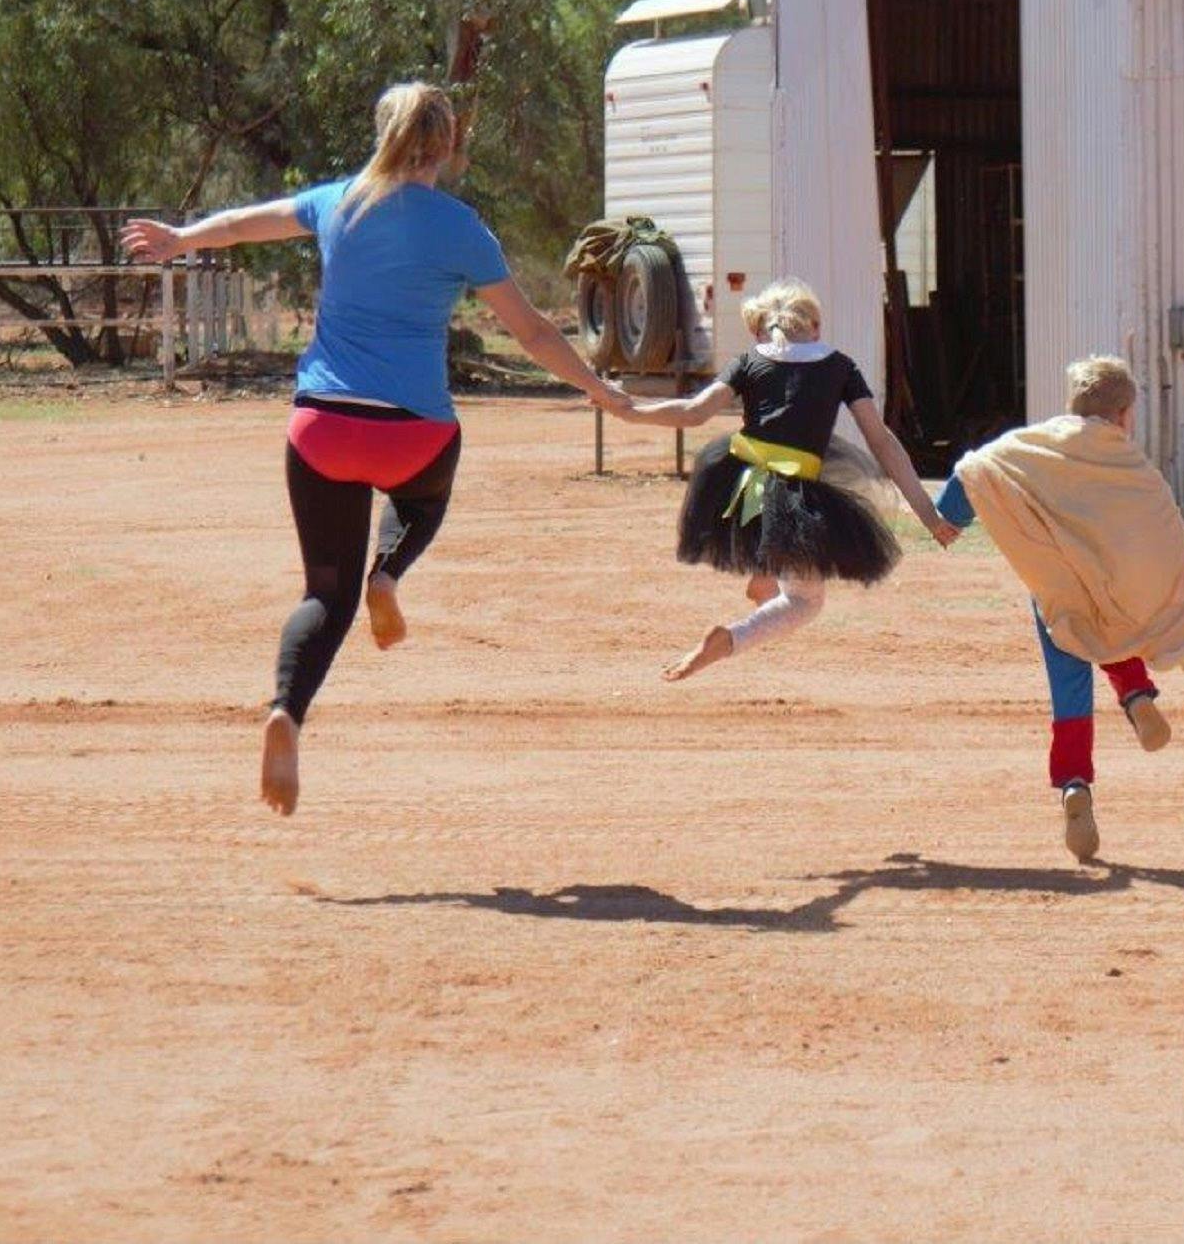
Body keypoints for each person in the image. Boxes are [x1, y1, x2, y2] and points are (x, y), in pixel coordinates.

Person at [122, 82, 627, 817]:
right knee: (421, 500)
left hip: (322, 429)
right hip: (413, 433)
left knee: (324, 595)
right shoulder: (461, 228)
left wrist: (180, 238)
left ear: (382, 132)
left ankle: (286, 713)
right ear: (449, 146)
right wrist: (598, 388)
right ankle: (389, 571)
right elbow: (532, 334)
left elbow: (239, 225)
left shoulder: (339, 202)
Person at [942, 355, 1184, 862]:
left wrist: (946, 521)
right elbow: (1163, 530)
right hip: (1119, 595)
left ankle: (1075, 784)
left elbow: (976, 470)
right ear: (1122, 414)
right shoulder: (1131, 462)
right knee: (1111, 617)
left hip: (1061, 594)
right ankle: (1136, 695)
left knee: (1067, 643)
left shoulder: (1040, 442)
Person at [609, 278, 956, 680]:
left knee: (780, 547)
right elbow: (882, 443)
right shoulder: (840, 366)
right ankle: (730, 639)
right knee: (806, 601)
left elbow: (693, 412)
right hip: (793, 497)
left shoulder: (750, 360)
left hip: (738, 487)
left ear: (760, 329)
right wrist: (928, 514)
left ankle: (764, 574)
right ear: (816, 327)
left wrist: (631, 409)